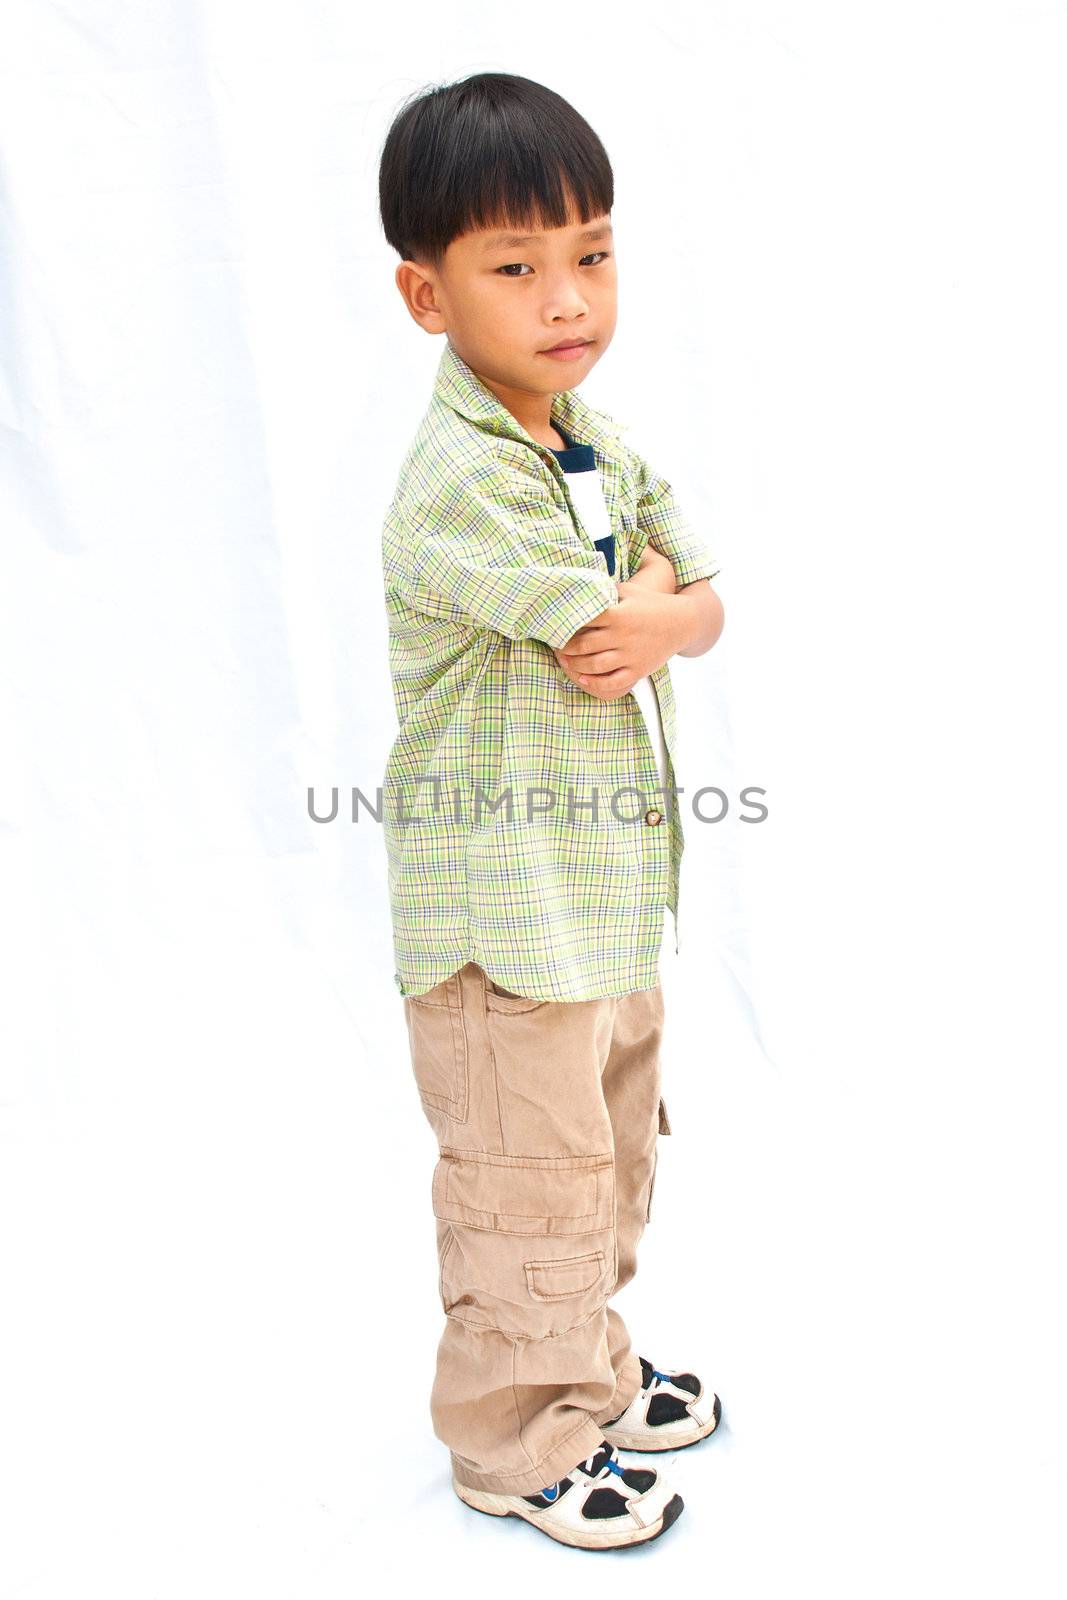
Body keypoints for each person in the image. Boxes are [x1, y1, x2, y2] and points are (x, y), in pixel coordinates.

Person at [376, 70, 726, 1550]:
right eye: (514, 267)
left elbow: (701, 602)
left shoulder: (591, 438)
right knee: (525, 1178)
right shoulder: (461, 477)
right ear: (427, 295)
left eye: (590, 250)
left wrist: (667, 604)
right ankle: (513, 1442)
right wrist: (658, 603)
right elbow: (607, 644)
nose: (565, 294)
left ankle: (579, 1364)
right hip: (500, 924)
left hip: (598, 899)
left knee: (606, 1149)